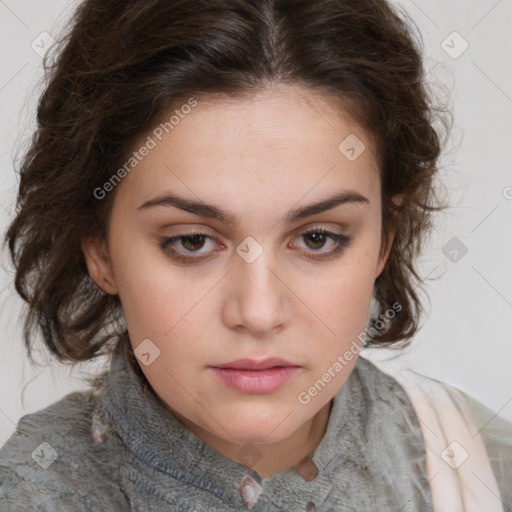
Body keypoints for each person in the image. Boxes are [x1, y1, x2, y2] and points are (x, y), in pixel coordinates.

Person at [0, 0, 510, 510]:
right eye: (192, 241)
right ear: (100, 249)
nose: (260, 313)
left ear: (384, 242)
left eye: (318, 238)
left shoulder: (478, 467)